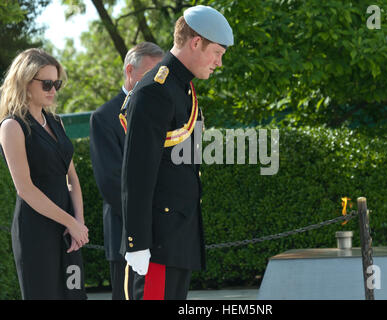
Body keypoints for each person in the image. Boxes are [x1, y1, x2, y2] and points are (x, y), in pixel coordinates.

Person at [120, 5, 233, 300]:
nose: (219, 63)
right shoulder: (155, 90)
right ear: (196, 42)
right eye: (217, 53)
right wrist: (137, 243)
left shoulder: (180, 88)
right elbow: (137, 174)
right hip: (156, 244)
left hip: (176, 237)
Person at [0, 48, 89, 299]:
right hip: (36, 230)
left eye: (57, 83)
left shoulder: (56, 122)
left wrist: (78, 222)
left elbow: (71, 177)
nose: (53, 90)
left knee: (74, 294)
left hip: (69, 229)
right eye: (47, 83)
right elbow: (25, 189)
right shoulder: (12, 126)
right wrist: (70, 222)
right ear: (26, 83)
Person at [90, 42, 164, 300]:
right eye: (151, 74)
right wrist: (147, 218)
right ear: (130, 71)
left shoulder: (163, 111)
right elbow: (110, 181)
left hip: (162, 232)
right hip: (127, 232)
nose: (157, 81)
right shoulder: (104, 117)